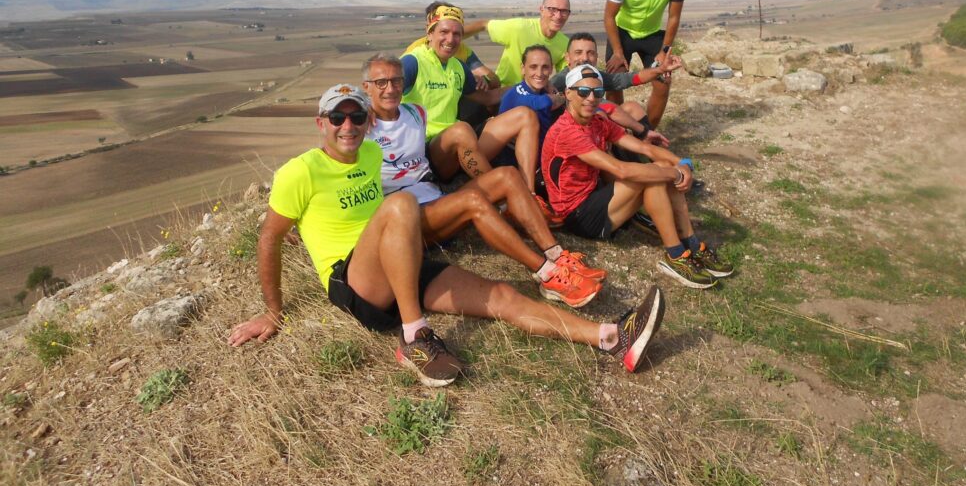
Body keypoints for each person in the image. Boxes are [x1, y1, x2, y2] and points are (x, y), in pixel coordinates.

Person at [228, 82, 667, 385]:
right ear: (319, 123)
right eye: (337, 117)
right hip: (354, 281)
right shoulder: (298, 171)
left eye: (356, 115)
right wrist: (272, 312)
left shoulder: (366, 154)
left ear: (366, 121)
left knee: (501, 297)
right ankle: (414, 337)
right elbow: (269, 237)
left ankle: (611, 338)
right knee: (399, 204)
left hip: (400, 264)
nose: (348, 125)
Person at [362, 52, 604, 308]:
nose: (390, 88)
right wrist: (360, 109)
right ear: (366, 87)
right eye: (381, 83)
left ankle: (557, 255)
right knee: (473, 200)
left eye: (396, 81)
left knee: (508, 176)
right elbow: (338, 131)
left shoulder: (415, 113)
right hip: (408, 219)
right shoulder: (359, 124)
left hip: (437, 201)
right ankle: (548, 274)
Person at [541, 65, 734, 289]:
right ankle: (677, 254)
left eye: (598, 93)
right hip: (577, 215)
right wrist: (672, 172)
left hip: (596, 197)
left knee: (657, 170)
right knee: (651, 176)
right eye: (583, 92)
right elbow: (620, 170)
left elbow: (647, 149)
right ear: (568, 94)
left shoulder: (597, 122)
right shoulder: (567, 131)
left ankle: (689, 242)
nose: (591, 98)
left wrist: (682, 163)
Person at [401, 4, 540, 188]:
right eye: (444, 32)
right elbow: (382, 93)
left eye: (457, 34)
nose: (450, 39)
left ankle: (529, 191)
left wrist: (529, 85)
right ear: (430, 34)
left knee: (525, 115)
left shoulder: (458, 67)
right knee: (461, 130)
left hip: (460, 147)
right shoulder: (413, 62)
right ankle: (501, 189)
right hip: (426, 152)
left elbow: (489, 98)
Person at [553, 32, 682, 132]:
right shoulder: (559, 81)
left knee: (632, 108)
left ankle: (649, 151)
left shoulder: (597, 76)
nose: (585, 58)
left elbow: (630, 78)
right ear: (568, 58)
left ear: (596, 58)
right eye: (578, 53)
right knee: (603, 114)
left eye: (590, 53)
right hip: (572, 134)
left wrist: (660, 69)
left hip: (599, 128)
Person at [464, 0, 572, 88]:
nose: (558, 16)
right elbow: (483, 25)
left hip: (535, 97)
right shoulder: (519, 28)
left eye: (564, 11)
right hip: (503, 94)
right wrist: (452, 41)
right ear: (542, 10)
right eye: (552, 9)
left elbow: (565, 76)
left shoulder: (565, 45)